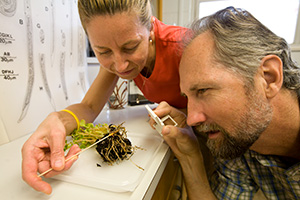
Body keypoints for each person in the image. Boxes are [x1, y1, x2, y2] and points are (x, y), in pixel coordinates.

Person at [21, 0, 188, 194]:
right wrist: (57, 120)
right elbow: (90, 106)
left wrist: (185, 114)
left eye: (131, 47)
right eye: (103, 51)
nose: (120, 66)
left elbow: (223, 108)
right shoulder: (119, 51)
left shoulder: (183, 46)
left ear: (150, 28)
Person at [153, 7, 300, 200]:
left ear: (269, 78)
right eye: (188, 97)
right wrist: (190, 157)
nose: (192, 119)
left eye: (203, 91)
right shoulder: (242, 137)